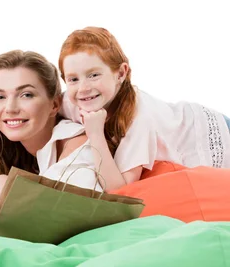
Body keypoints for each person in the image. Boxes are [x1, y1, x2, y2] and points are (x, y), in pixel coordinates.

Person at [58, 26, 230, 191]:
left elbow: (120, 189)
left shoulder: (139, 118)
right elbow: (45, 108)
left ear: (120, 73)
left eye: (94, 75)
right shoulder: (75, 100)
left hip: (208, 132)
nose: (83, 88)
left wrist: (95, 134)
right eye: (73, 79)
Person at [0, 50, 101, 219]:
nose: (10, 108)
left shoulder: (77, 144)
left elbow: (45, 209)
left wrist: (1, 191)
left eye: (26, 95)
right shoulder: (10, 148)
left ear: (54, 104)